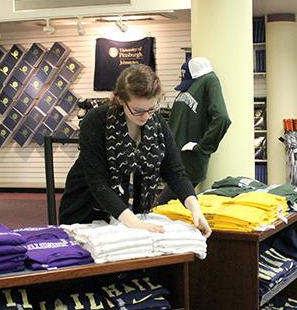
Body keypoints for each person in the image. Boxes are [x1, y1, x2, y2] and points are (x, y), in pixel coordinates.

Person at [59, 64, 211, 237]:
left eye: (151, 108)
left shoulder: (158, 125)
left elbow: (175, 172)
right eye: (138, 110)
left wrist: (195, 209)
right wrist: (134, 223)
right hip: (87, 210)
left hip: (134, 211)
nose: (145, 116)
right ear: (121, 100)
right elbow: (98, 183)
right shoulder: (96, 121)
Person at [156, 58, 231, 204]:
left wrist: (203, 147)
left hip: (188, 164)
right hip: (172, 160)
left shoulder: (210, 80)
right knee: (169, 211)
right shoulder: (191, 87)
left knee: (158, 209)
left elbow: (222, 118)